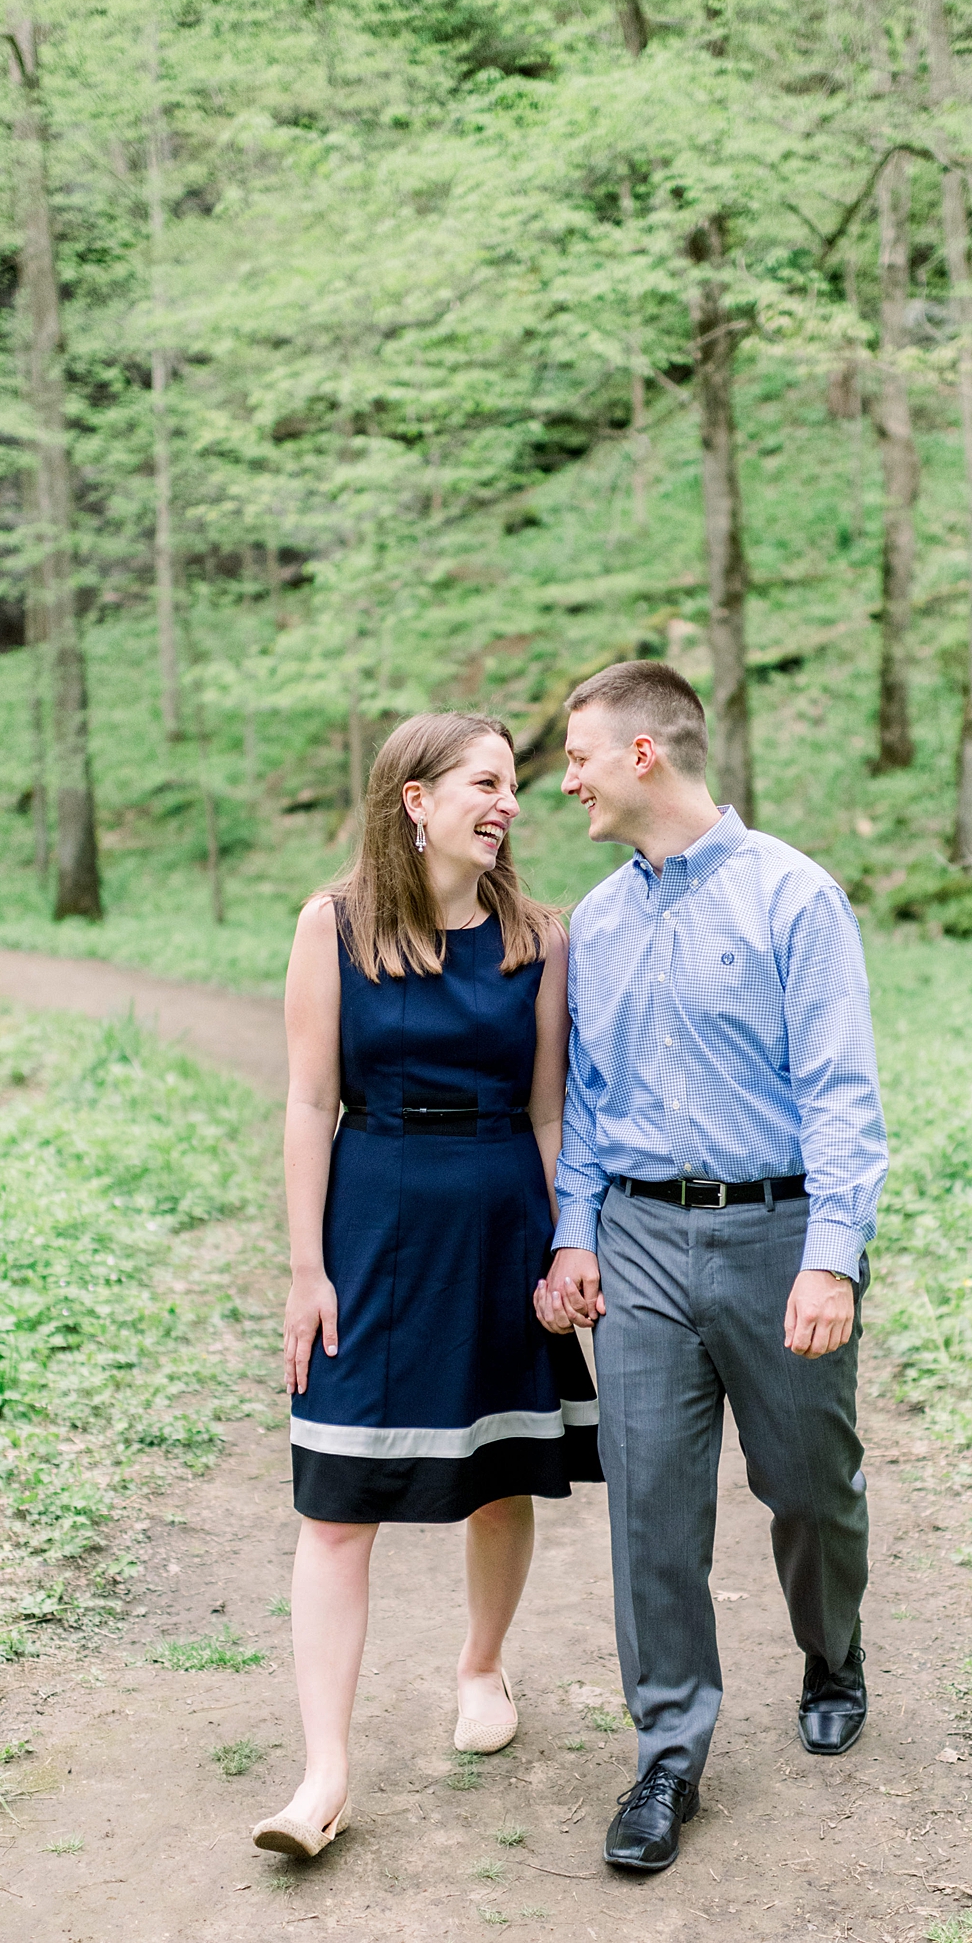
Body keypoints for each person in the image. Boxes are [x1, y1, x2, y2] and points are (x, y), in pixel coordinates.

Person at [536, 661, 888, 1875]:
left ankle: (830, 1645)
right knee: (649, 1505)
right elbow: (582, 1102)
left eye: (577, 753)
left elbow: (842, 1096)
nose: (562, 777)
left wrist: (831, 1261)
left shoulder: (795, 899)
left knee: (807, 1484)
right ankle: (668, 1753)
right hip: (635, 1240)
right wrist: (573, 1229)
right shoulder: (595, 921)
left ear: (645, 755)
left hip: (776, 1233)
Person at [253, 712, 600, 1861]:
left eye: (516, 787)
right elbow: (310, 1102)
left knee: (497, 1477)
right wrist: (307, 1269)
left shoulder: (538, 938)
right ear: (416, 798)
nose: (509, 805)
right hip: (374, 1223)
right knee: (336, 1505)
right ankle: (324, 1777)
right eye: (487, 783)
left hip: (503, 1213)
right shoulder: (335, 924)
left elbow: (551, 1109)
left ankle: (482, 1666)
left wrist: (564, 1246)